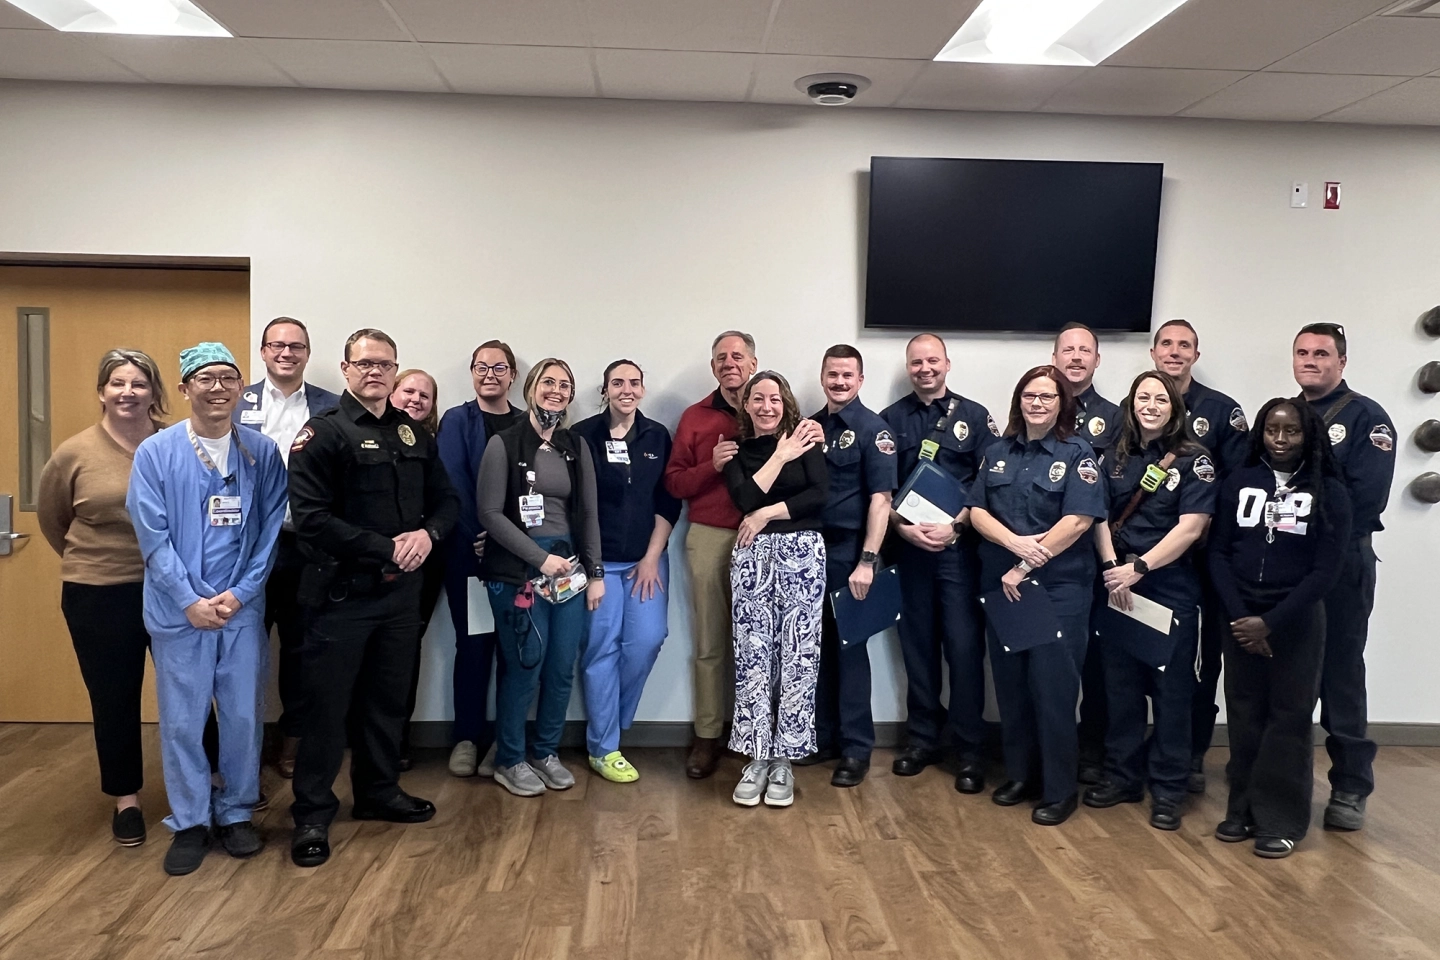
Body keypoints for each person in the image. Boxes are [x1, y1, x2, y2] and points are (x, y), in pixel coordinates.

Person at [287, 329, 459, 869]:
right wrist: (386, 547)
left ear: (395, 369)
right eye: (364, 364)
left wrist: (428, 535)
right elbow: (311, 520)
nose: (375, 372)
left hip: (399, 598)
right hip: (341, 597)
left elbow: (447, 501)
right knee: (326, 710)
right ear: (345, 369)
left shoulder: (413, 435)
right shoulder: (322, 434)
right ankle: (313, 813)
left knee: (387, 702)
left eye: (384, 364)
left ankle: (378, 792)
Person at [126, 342, 288, 875]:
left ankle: (237, 812)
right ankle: (191, 820)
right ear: (183, 389)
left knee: (243, 716)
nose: (217, 388)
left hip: (240, 609)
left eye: (227, 378)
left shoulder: (260, 452)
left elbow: (268, 533)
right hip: (180, 612)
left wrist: (240, 594)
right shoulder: (156, 453)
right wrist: (190, 600)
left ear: (242, 387)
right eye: (205, 378)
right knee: (182, 720)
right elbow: (153, 537)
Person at [1209, 398, 1351, 858]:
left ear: (1307, 435)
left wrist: (1270, 622)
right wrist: (1241, 618)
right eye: (1273, 430)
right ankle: (1242, 809)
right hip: (1240, 617)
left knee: (1288, 720)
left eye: (1291, 432)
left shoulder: (1330, 490)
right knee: (1245, 715)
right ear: (1261, 433)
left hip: (1295, 621)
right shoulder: (1239, 482)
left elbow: (1324, 573)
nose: (1281, 440)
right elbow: (1218, 553)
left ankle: (1281, 819)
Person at [37, 348, 167, 847]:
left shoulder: (177, 445)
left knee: (191, 690)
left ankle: (210, 783)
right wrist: (96, 559)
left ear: (155, 393)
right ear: (101, 392)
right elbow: (55, 521)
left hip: (173, 590)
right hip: (99, 592)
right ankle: (126, 799)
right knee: (113, 696)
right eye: (118, 383)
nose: (128, 392)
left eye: (139, 383)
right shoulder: (75, 453)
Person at [968, 364, 1106, 826]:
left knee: (1053, 689)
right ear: (1018, 400)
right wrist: (1013, 547)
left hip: (1057, 589)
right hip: (1005, 587)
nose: (1038, 403)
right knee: (1012, 686)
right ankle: (1021, 775)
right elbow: (976, 511)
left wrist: (1026, 562)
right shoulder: (997, 451)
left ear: (1062, 404)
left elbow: (1078, 521)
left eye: (1048, 396)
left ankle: (1060, 789)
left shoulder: (1078, 454)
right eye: (1030, 395)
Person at [1084, 371, 1216, 832]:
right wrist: (1110, 568)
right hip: (1116, 582)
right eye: (1144, 397)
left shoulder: (1194, 459)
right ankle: (1123, 777)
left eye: (1161, 398)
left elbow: (1191, 527)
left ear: (1175, 407)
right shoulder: (1113, 457)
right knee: (1119, 688)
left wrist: (1140, 568)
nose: (1152, 405)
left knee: (1171, 692)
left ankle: (1168, 788)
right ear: (1131, 403)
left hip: (1166, 585)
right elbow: (1097, 515)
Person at [477, 358, 604, 797]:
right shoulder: (504, 444)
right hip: (519, 568)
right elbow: (490, 514)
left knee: (561, 665)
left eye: (564, 384)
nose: (556, 390)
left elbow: (588, 512)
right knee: (524, 666)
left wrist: (596, 571)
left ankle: (545, 751)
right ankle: (509, 759)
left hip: (568, 568)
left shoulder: (575, 445)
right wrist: (538, 558)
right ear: (530, 388)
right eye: (548, 382)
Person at [879, 333, 996, 793]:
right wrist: (899, 528)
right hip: (909, 551)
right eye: (916, 362)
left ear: (948, 363)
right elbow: (881, 488)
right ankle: (922, 740)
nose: (924, 368)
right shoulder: (891, 419)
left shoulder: (975, 417)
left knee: (965, 650)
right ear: (908, 368)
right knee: (918, 649)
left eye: (932, 360)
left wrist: (957, 527)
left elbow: (988, 484)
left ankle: (969, 750)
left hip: (958, 552)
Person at [1293, 322, 1394, 831]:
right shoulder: (1283, 417)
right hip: (1288, 566)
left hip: (1341, 565)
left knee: (1340, 676)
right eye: (1302, 353)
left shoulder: (1367, 419)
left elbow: (1365, 499)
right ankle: (1283, 783)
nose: (1310, 360)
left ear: (1342, 362)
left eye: (1322, 354)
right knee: (1288, 676)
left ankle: (1351, 787)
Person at [231, 317, 339, 779]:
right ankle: (244, 749)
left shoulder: (332, 407)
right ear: (262, 351)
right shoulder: (236, 401)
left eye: (296, 346)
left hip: (305, 546)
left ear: (307, 354)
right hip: (244, 547)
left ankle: (293, 741)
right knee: (243, 652)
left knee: (301, 650)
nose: (286, 353)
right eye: (277, 345)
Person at [1150, 318, 1248, 793]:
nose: (1174, 352)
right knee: (1136, 654)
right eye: (1166, 344)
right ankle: (1144, 751)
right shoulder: (1136, 406)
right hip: (1143, 559)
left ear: (1196, 355)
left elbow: (1239, 484)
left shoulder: (1223, 411)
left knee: (1201, 659)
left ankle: (1191, 753)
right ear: (1153, 353)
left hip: (1202, 556)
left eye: (1183, 345)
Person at [572, 360, 682, 782]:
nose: (626, 389)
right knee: (600, 649)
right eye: (617, 382)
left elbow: (668, 501)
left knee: (648, 640)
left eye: (634, 382)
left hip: (645, 562)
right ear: (605, 390)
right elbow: (581, 506)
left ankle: (610, 726)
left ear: (642, 389)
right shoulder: (582, 435)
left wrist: (653, 556)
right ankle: (604, 748)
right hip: (598, 565)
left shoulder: (656, 436)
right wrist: (593, 567)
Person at [723, 371, 828, 808]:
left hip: (803, 554)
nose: (767, 406)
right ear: (746, 406)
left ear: (786, 404)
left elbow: (820, 495)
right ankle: (757, 757)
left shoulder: (809, 441)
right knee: (753, 656)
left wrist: (768, 515)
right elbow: (745, 498)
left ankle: (784, 759)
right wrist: (781, 455)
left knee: (798, 656)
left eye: (774, 399)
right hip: (752, 559)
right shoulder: (736, 454)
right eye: (758, 399)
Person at [799, 345, 896, 787]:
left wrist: (868, 561)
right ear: (822, 377)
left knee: (850, 650)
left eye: (848, 375)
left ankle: (856, 748)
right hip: (807, 552)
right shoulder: (808, 428)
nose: (839, 382)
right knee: (813, 649)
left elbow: (881, 500)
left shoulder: (874, 430)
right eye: (832, 374)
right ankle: (820, 738)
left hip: (849, 554)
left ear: (860, 380)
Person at [664, 331, 758, 779]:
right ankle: (707, 735)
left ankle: (750, 732)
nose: (729, 363)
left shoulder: (772, 407)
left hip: (763, 539)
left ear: (753, 363)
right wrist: (712, 466)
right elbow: (674, 483)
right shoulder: (694, 417)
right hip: (708, 536)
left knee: (757, 644)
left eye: (737, 356)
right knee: (710, 644)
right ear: (713, 367)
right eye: (721, 357)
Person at [436, 340, 523, 779]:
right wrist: (481, 538)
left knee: (514, 650)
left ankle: (505, 743)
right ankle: (467, 737)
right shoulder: (456, 420)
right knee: (473, 646)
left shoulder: (528, 424)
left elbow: (534, 495)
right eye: (481, 366)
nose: (490, 374)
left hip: (520, 560)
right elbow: (454, 485)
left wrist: (507, 541)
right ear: (472, 372)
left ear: (513, 376)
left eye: (500, 367)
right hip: (469, 556)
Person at [1054, 322, 1123, 783]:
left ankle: (1093, 750)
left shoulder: (1116, 418)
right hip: (1046, 557)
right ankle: (1052, 747)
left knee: (1098, 658)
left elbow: (1116, 486)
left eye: (1085, 351)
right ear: (1055, 356)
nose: (1076, 357)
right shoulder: (1038, 402)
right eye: (1068, 350)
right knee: (1051, 658)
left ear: (1097, 360)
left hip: (1097, 554)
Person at [389, 368, 445, 769]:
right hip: (371, 561)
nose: (416, 400)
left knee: (405, 653)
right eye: (409, 391)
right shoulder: (354, 435)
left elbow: (447, 499)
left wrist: (429, 534)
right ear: (392, 392)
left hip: (422, 562)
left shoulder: (430, 446)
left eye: (425, 396)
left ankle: (396, 741)